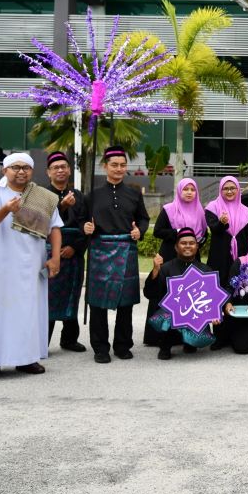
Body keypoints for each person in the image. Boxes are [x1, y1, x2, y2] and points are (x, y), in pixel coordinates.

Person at [0, 152, 62, 380]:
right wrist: (6, 210)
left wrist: (55, 257)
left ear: (32, 171)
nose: (21, 171)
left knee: (28, 311)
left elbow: (54, 228)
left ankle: (26, 359)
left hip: (32, 264)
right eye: (16, 167)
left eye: (26, 167)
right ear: (5, 170)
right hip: (2, 264)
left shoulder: (43, 196)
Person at [81, 146, 150, 364]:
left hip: (126, 249)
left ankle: (122, 345)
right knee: (97, 303)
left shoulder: (134, 193)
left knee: (125, 302)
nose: (119, 169)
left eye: (122, 165)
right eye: (114, 165)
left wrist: (140, 231)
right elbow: (82, 219)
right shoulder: (92, 195)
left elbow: (144, 219)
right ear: (105, 166)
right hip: (99, 250)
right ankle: (100, 347)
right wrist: (86, 227)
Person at [144, 228, 216, 359]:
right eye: (183, 243)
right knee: (169, 312)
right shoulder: (166, 268)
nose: (188, 246)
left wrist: (214, 314)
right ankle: (165, 345)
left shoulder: (205, 270)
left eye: (192, 243)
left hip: (194, 315)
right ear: (176, 247)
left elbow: (212, 299)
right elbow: (150, 293)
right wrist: (155, 270)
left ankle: (190, 341)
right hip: (171, 316)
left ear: (197, 247)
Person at [42, 151, 87, 352]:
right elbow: (41, 224)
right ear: (48, 172)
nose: (60, 170)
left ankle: (69, 339)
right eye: (55, 168)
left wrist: (75, 247)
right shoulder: (41, 195)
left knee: (72, 295)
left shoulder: (79, 196)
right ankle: (41, 342)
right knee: (48, 298)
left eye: (63, 167)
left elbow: (86, 225)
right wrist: (61, 207)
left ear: (69, 170)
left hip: (73, 253)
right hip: (49, 253)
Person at [204, 176, 248, 286]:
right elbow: (214, 229)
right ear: (220, 190)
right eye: (225, 188)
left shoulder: (245, 210)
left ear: (238, 189)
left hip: (241, 253)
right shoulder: (212, 207)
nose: (229, 191)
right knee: (218, 283)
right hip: (220, 253)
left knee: (239, 285)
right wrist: (221, 223)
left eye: (232, 188)